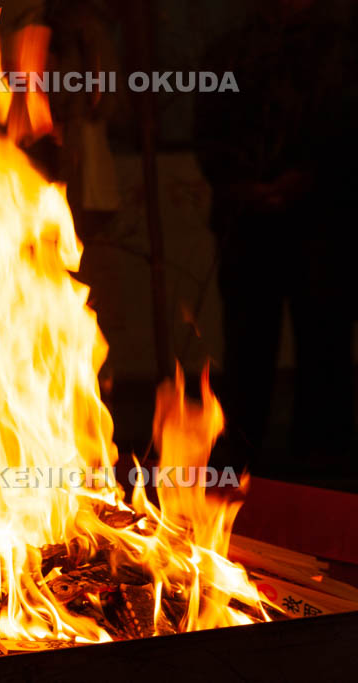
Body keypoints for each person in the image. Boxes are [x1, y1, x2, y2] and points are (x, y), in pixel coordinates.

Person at [195, 0, 355, 471]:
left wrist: (310, 178)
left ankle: (324, 463)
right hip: (246, 224)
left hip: (323, 224)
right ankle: (243, 461)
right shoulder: (232, 50)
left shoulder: (339, 47)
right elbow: (209, 125)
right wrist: (239, 184)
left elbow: (345, 124)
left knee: (324, 343)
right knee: (248, 348)